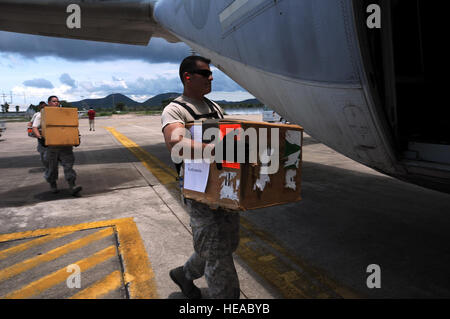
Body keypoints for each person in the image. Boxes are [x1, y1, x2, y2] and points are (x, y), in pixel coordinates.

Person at [161, 55, 240, 299]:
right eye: (205, 73)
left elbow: (231, 138)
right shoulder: (175, 109)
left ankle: (184, 274)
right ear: (188, 77)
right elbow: (176, 143)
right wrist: (215, 150)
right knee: (218, 255)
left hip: (224, 186)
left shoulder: (215, 107)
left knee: (226, 243)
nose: (211, 77)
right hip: (198, 191)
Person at [32, 95, 82, 196]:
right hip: (50, 147)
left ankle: (72, 186)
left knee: (68, 166)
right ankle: (53, 184)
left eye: (57, 101)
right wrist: (40, 138)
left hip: (65, 146)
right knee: (51, 168)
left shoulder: (64, 113)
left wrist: (77, 138)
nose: (56, 103)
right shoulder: (42, 114)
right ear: (49, 103)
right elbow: (34, 128)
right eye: (54, 101)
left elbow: (72, 126)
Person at [28, 101, 47, 166]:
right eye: (42, 107)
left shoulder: (49, 114)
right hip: (40, 135)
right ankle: (46, 165)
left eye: (44, 106)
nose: (43, 108)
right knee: (42, 152)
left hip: (48, 135)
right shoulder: (37, 114)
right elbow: (30, 124)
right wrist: (32, 130)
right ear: (39, 107)